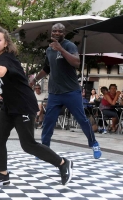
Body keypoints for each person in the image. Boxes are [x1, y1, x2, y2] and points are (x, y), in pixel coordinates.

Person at [0, 25, 73, 187]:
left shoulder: (6, 57)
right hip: (10, 106)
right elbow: (7, 78)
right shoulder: (1, 57)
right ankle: (3, 175)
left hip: (23, 106)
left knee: (28, 145)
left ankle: (63, 163)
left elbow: (1, 72)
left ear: (6, 43)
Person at [29, 23, 101, 159]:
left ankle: (94, 143)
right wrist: (34, 80)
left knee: (82, 119)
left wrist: (61, 49)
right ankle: (44, 149)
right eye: (54, 31)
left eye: (59, 31)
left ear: (64, 33)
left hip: (71, 91)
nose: (56, 33)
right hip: (54, 92)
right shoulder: (49, 50)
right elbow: (47, 68)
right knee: (48, 121)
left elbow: (76, 63)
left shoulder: (69, 46)